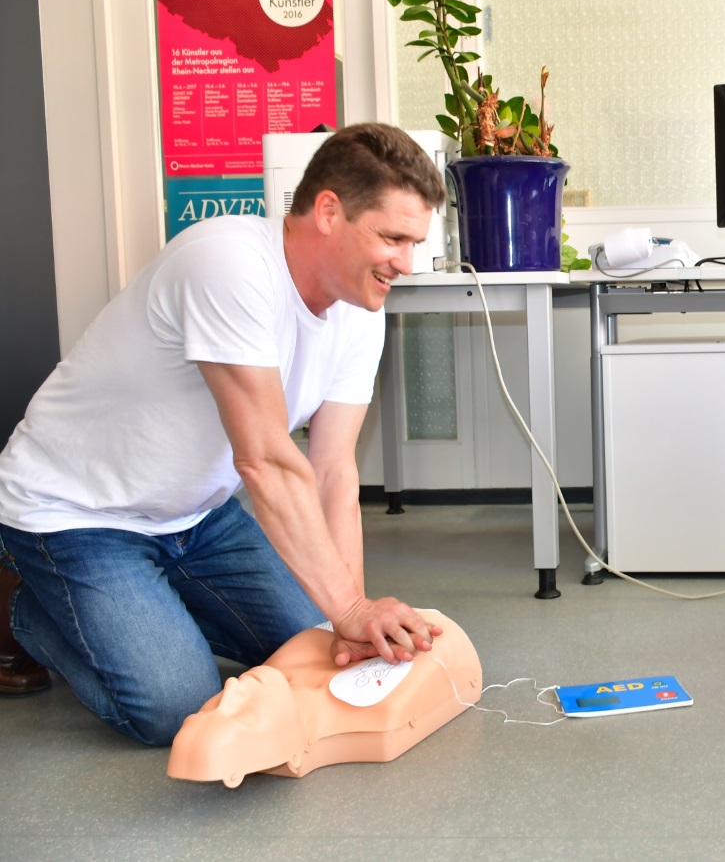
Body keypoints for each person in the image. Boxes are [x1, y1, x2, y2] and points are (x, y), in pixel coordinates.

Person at [0, 123, 448, 744]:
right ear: (328, 211)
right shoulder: (228, 263)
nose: (406, 261)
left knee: (319, 653)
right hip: (77, 514)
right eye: (393, 238)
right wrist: (348, 610)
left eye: (414, 242)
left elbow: (333, 471)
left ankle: (143, 611)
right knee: (176, 709)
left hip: (197, 517)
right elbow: (265, 458)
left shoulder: (359, 307)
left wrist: (349, 616)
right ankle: (29, 610)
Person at [166, 608, 480, 787]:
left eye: (213, 707)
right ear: (292, 753)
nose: (232, 687)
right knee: (166, 708)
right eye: (239, 713)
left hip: (205, 520)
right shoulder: (378, 709)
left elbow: (339, 497)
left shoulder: (286, 663)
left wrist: (355, 608)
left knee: (308, 609)